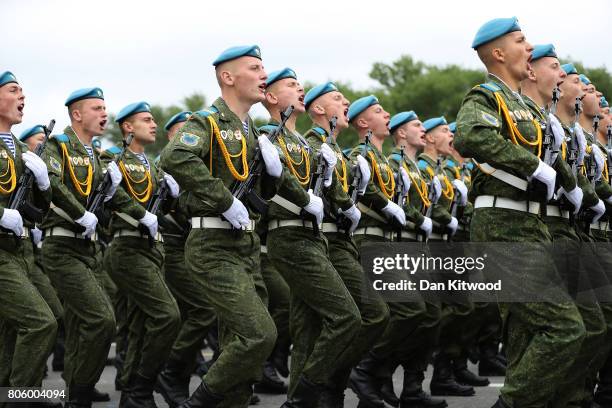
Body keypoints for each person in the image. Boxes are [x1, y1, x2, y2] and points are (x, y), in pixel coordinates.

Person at [454, 17, 586, 407]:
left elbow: (549, 155)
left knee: (529, 332)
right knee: (564, 328)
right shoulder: (486, 97)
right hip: (502, 224)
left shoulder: (526, 107)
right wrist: (533, 168)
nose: (529, 47)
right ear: (498, 53)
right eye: (520, 40)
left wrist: (573, 188)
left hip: (532, 224)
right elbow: (470, 136)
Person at [160, 45, 282, 408]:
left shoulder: (252, 131)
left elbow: (258, 191)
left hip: (244, 246)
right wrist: (224, 200)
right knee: (260, 334)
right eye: (255, 67)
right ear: (228, 77)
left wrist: (273, 175)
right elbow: (174, 156)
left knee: (239, 343)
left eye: (264, 67)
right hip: (212, 244)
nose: (264, 75)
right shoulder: (207, 121)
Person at [107, 101, 181, 408]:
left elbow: (162, 210)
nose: (153, 125)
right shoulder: (114, 160)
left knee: (139, 324)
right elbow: (114, 199)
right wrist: (141, 215)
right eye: (146, 120)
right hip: (127, 248)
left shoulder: (153, 166)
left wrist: (173, 198)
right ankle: (143, 386)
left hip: (151, 249)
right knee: (168, 315)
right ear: (128, 127)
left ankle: (131, 392)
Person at [0, 71, 57, 393]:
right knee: (40, 323)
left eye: (23, 91)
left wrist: (44, 184)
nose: (22, 96)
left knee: (10, 334)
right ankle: (23, 398)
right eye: (13, 90)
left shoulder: (23, 150)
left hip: (21, 251)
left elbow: (40, 208)